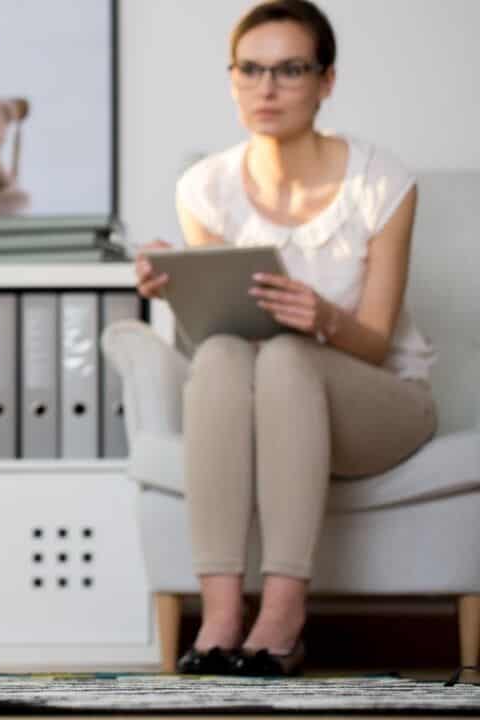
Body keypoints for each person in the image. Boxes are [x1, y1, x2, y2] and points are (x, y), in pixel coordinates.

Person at [134, 0, 437, 676]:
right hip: (266, 399)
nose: (266, 88)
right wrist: (176, 289)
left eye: (290, 70)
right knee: (219, 352)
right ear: (232, 77)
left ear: (327, 81)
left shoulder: (382, 182)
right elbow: (223, 342)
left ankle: (283, 613)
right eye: (251, 70)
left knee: (291, 353)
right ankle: (218, 615)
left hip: (381, 404)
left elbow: (377, 342)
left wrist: (322, 316)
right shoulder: (205, 186)